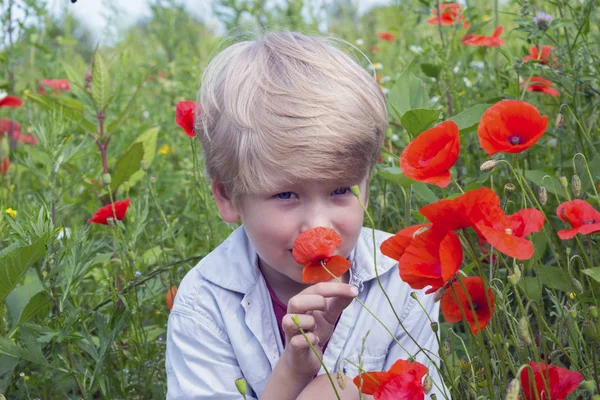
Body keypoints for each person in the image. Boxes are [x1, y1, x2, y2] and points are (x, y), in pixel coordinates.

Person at [166, 31, 448, 400]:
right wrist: (293, 374)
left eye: (340, 191)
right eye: (286, 194)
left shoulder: (403, 276)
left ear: (366, 184)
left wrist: (346, 392)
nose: (319, 227)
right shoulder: (203, 304)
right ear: (228, 196)